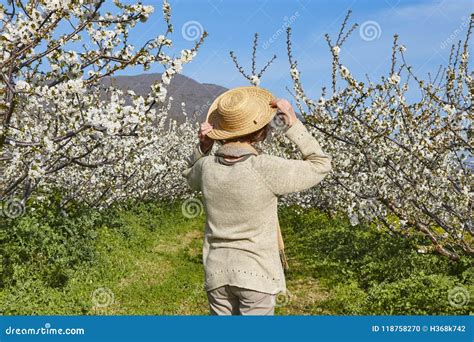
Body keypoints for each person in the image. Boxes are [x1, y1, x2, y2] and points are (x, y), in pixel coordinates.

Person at [182, 86, 332, 315]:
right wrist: (292, 123)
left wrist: (203, 147)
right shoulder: (265, 167)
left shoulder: (206, 167)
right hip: (256, 275)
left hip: (217, 273)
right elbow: (321, 165)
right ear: (261, 131)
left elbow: (188, 175)